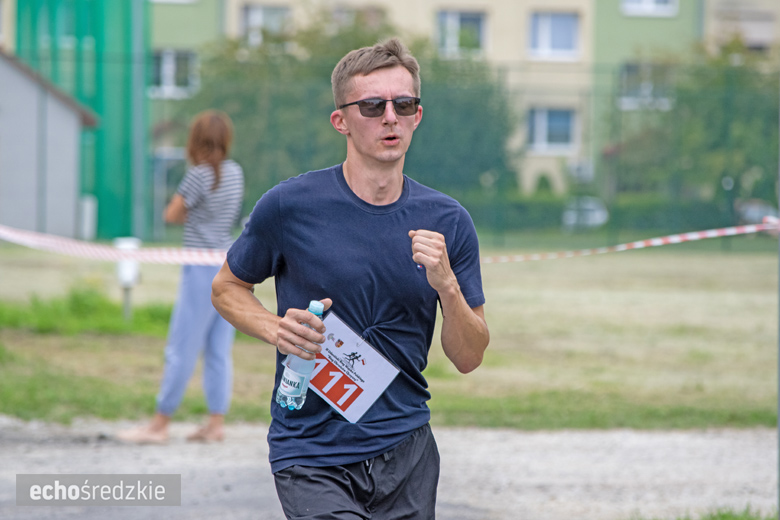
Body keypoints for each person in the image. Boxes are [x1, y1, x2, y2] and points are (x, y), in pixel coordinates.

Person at [211, 38, 489, 519]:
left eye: (403, 104)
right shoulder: (289, 206)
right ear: (341, 119)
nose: (390, 117)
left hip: (407, 449)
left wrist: (447, 285)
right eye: (372, 105)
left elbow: (469, 356)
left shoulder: (449, 220)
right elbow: (227, 288)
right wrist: (277, 329)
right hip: (310, 451)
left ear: (417, 116)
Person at [118, 110, 244, 444]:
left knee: (182, 347)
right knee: (219, 350)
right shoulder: (235, 172)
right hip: (229, 267)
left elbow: (171, 214)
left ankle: (159, 424)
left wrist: (193, 210)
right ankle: (216, 424)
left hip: (199, 268)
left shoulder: (198, 175)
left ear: (195, 141)